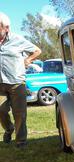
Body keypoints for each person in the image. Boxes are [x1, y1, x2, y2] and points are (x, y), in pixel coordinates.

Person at [0, 12, 41, 148]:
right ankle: (9, 129)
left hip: (17, 82)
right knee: (1, 111)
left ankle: (21, 141)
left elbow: (37, 50)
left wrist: (28, 60)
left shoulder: (17, 39)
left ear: (6, 28)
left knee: (20, 114)